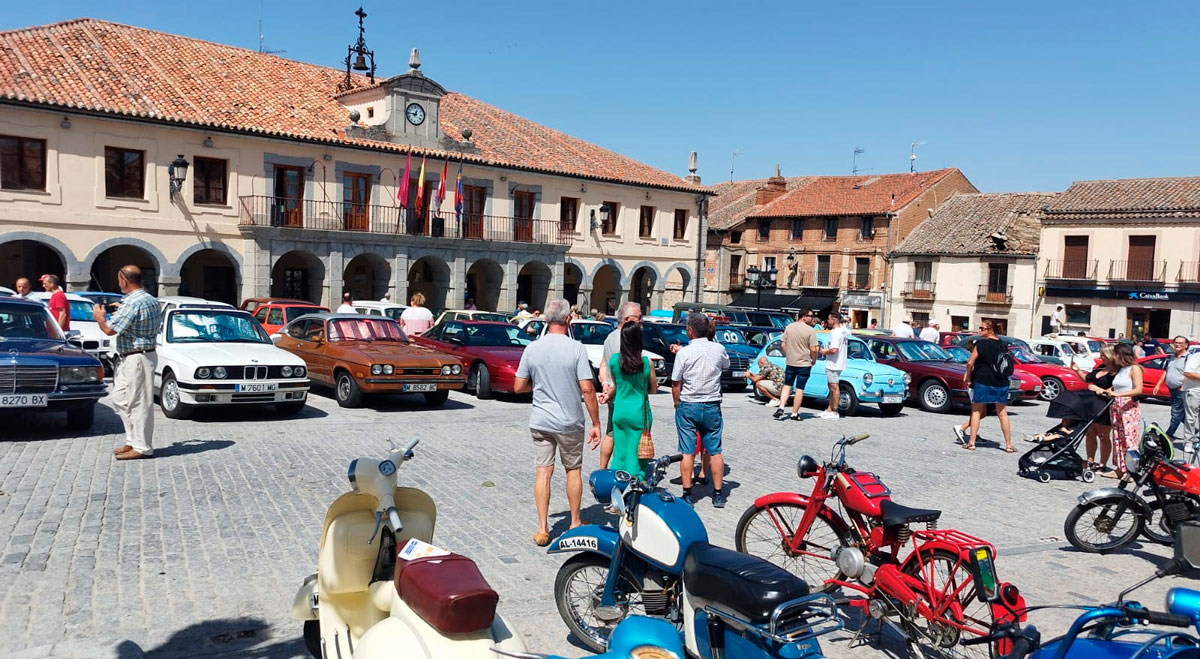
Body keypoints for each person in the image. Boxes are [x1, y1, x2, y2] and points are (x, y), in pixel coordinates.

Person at [512, 299, 602, 546]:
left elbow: (518, 386)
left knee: (543, 471)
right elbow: (587, 389)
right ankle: (574, 521)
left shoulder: (533, 348)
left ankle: (542, 528)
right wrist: (596, 423)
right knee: (573, 471)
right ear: (568, 320)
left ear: (544, 320)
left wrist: (539, 385)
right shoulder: (576, 348)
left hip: (541, 420)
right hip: (569, 421)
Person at [91, 266, 161, 460]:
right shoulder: (149, 299)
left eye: (118, 279)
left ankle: (143, 447)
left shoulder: (132, 303)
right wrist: (121, 309)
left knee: (139, 402)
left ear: (124, 279)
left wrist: (99, 318)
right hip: (135, 355)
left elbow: (109, 331)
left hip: (137, 357)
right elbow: (136, 320)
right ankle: (132, 440)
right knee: (120, 398)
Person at [672, 312, 730, 507]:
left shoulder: (684, 353)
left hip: (689, 403)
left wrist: (676, 403)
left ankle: (688, 494)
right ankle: (718, 493)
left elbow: (675, 382)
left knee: (687, 451)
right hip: (712, 403)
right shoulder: (718, 348)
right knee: (715, 451)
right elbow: (726, 366)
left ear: (690, 331)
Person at [607, 322, 657, 480]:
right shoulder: (646, 362)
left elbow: (617, 385)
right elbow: (653, 389)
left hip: (620, 411)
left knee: (620, 452)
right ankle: (635, 484)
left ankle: (617, 482)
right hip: (639, 413)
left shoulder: (615, 361)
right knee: (636, 456)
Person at [598, 302, 644, 469]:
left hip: (613, 390)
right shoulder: (623, 339)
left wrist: (604, 383)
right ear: (627, 319)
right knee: (615, 434)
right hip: (623, 394)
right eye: (638, 318)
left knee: (612, 431)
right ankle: (617, 469)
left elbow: (603, 364)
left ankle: (603, 468)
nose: (641, 321)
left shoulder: (610, 336)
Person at [962, 319, 1015, 453]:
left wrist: (967, 376)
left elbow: (970, 363)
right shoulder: (1003, 344)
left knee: (976, 411)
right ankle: (1008, 445)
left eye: (982, 328)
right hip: (1001, 381)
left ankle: (972, 442)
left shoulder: (981, 344)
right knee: (1002, 413)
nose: (980, 331)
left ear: (990, 330)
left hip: (983, 380)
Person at [1105, 343, 1144, 479]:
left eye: (1115, 354)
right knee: (1117, 438)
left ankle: (1131, 471)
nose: (1113, 357)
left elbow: (1139, 389)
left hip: (1128, 407)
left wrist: (1118, 395)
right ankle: (1120, 468)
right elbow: (1116, 387)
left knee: (1129, 439)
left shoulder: (1134, 368)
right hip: (1116, 406)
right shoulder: (1121, 369)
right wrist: (1109, 391)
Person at [775, 309, 819, 421]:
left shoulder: (789, 327)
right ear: (804, 316)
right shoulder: (810, 330)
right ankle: (794, 413)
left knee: (787, 385)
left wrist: (788, 355)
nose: (812, 318)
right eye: (810, 316)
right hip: (804, 363)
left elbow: (783, 344)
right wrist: (814, 360)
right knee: (800, 388)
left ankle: (781, 407)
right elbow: (813, 349)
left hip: (791, 361)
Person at [1153, 336, 1192, 440]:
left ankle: (1169, 435)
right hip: (1172, 389)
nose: (1177, 344)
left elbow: (1188, 374)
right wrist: (1158, 385)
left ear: (1186, 345)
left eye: (1180, 343)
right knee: (1181, 415)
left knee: (1175, 412)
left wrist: (1182, 387)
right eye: (1176, 342)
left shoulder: (1188, 358)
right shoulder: (1171, 357)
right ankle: (1196, 432)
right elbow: (1166, 372)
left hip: (1181, 389)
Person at [819, 313, 849, 419]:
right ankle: (829, 409)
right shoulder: (843, 331)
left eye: (829, 319)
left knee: (834, 387)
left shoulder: (836, 332)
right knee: (831, 386)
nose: (828, 321)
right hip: (838, 363)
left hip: (834, 364)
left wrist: (823, 351)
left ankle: (835, 411)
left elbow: (833, 349)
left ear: (834, 320)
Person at [1183, 347, 1200, 455]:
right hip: (1194, 391)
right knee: (1191, 418)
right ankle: (1188, 443)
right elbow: (1188, 372)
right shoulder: (1195, 357)